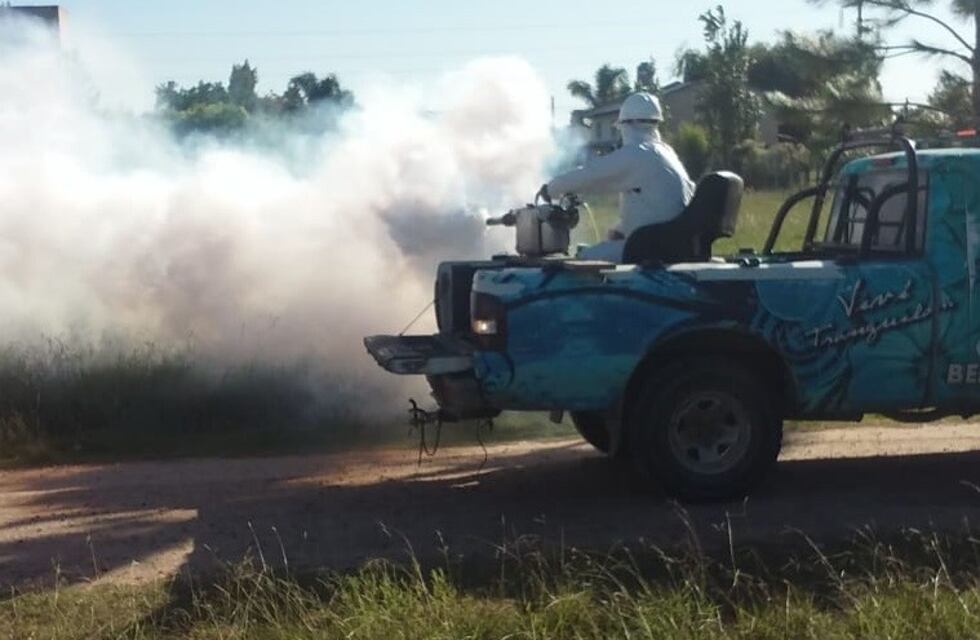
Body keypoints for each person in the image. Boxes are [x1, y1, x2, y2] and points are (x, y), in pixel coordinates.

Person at [541, 92, 695, 262]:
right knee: (605, 248)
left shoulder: (637, 154)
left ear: (628, 124)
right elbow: (651, 203)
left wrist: (551, 188)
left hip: (652, 247)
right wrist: (621, 230)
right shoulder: (666, 152)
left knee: (585, 258)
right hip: (671, 241)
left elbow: (591, 174)